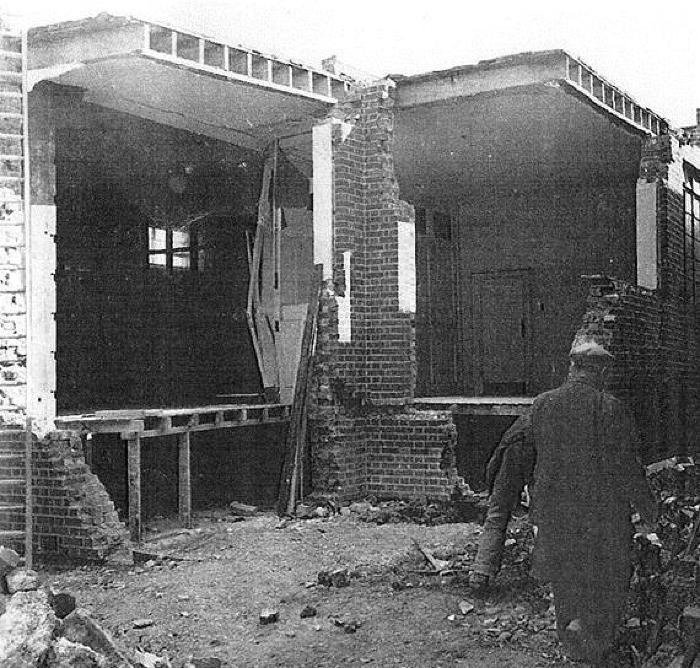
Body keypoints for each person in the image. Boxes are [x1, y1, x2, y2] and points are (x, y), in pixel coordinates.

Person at [470, 335, 657, 664]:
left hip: (555, 513)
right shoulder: (612, 408)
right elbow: (627, 468)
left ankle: (572, 646)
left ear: (572, 367)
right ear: (600, 373)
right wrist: (650, 513)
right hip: (599, 516)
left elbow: (540, 457)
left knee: (565, 580)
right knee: (604, 578)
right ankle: (597, 646)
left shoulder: (542, 404)